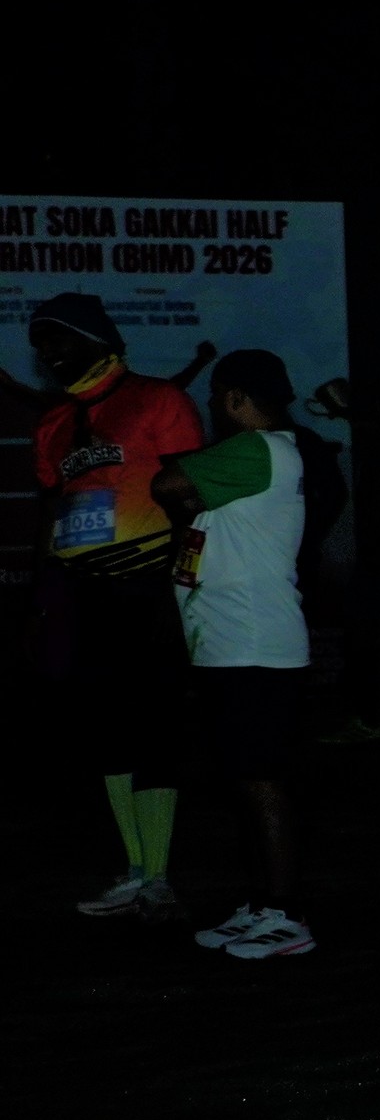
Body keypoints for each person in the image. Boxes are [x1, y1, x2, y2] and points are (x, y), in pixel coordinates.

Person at [29, 291, 202, 921]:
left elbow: (191, 499)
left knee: (154, 724)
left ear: (97, 339)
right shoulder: (53, 423)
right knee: (105, 730)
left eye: (57, 337)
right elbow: (53, 511)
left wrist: (181, 589)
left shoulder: (159, 399)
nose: (48, 352)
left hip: (149, 588)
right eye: (39, 343)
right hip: (86, 594)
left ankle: (158, 877)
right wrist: (47, 596)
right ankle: (134, 869)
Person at [151, 350, 317, 959]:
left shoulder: (258, 449)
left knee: (261, 782)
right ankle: (261, 903)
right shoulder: (260, 455)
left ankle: (287, 916)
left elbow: (166, 484)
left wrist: (184, 486)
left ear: (236, 398)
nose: (212, 407)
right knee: (242, 783)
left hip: (253, 645)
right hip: (231, 644)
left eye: (217, 395)